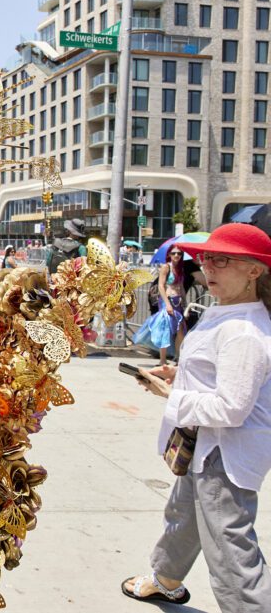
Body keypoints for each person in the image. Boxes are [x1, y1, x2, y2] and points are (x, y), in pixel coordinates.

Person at [122, 224, 271, 612]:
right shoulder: (227, 310)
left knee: (229, 548)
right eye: (207, 259)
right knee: (184, 513)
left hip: (224, 451)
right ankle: (166, 578)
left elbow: (231, 408)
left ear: (255, 270)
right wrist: (179, 376)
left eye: (223, 260)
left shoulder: (244, 330)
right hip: (204, 443)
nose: (209, 267)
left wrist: (171, 395)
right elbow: (214, 374)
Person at [134, 246, 186, 363]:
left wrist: (185, 302)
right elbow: (161, 286)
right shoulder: (166, 267)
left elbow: (181, 286)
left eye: (179, 253)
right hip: (167, 301)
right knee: (165, 329)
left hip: (178, 302)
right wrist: (167, 304)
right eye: (174, 253)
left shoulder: (180, 269)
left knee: (180, 330)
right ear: (169, 255)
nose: (176, 255)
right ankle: (162, 360)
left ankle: (178, 357)